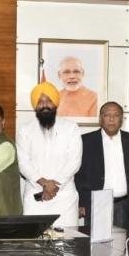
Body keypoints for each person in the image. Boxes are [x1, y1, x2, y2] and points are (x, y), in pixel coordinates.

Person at [17, 82, 82, 228]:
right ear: (35, 106)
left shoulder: (71, 128)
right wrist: (44, 183)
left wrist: (53, 186)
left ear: (56, 104)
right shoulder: (25, 130)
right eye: (40, 101)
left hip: (65, 196)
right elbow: (23, 162)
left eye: (49, 101)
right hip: (35, 196)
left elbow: (74, 161)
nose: (44, 105)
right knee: (34, 239)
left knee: (67, 239)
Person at [75, 102, 129, 232]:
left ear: (121, 119)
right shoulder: (86, 141)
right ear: (100, 119)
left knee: (122, 243)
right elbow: (78, 175)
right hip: (95, 204)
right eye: (107, 115)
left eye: (116, 115)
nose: (111, 119)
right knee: (96, 243)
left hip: (124, 205)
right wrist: (82, 202)